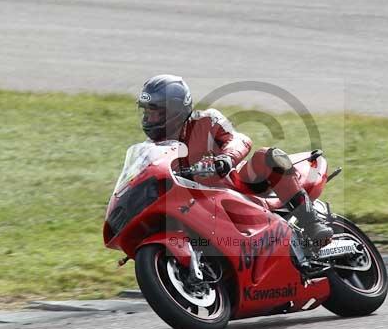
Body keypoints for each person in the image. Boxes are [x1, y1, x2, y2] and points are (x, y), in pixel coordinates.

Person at [137, 74, 333, 242]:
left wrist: (225, 159)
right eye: (146, 112)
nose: (148, 119)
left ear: (175, 110)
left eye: (155, 113)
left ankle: (311, 223)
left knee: (267, 156)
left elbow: (239, 139)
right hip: (194, 208)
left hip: (234, 188)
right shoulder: (151, 149)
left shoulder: (206, 120)